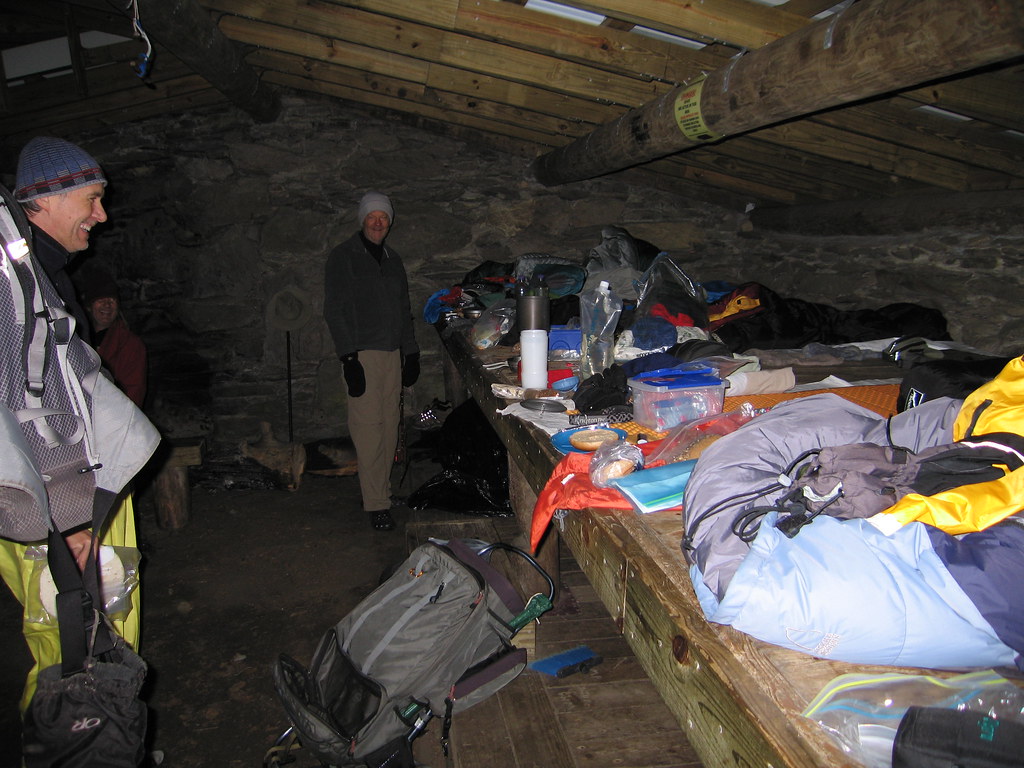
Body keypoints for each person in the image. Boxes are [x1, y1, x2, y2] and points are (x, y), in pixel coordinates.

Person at [0, 137, 157, 713]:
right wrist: (63, 518)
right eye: (92, 200)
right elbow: (17, 408)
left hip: (76, 490)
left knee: (102, 638)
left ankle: (108, 734)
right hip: (54, 504)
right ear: (45, 200)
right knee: (70, 650)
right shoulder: (12, 283)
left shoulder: (40, 274)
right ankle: (75, 742)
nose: (102, 215)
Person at [324, 191, 419, 531]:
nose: (378, 221)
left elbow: (404, 310)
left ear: (389, 222)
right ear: (362, 220)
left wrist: (410, 350)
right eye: (372, 216)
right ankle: (375, 503)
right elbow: (334, 310)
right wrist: (348, 358)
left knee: (390, 425)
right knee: (368, 430)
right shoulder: (343, 257)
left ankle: (382, 491)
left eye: (383, 216)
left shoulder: (393, 260)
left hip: (391, 353)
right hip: (362, 354)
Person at [82, 267, 148, 408]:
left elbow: (134, 391)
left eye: (112, 300)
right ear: (89, 306)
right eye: (100, 299)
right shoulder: (77, 340)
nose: (107, 305)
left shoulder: (130, 345)